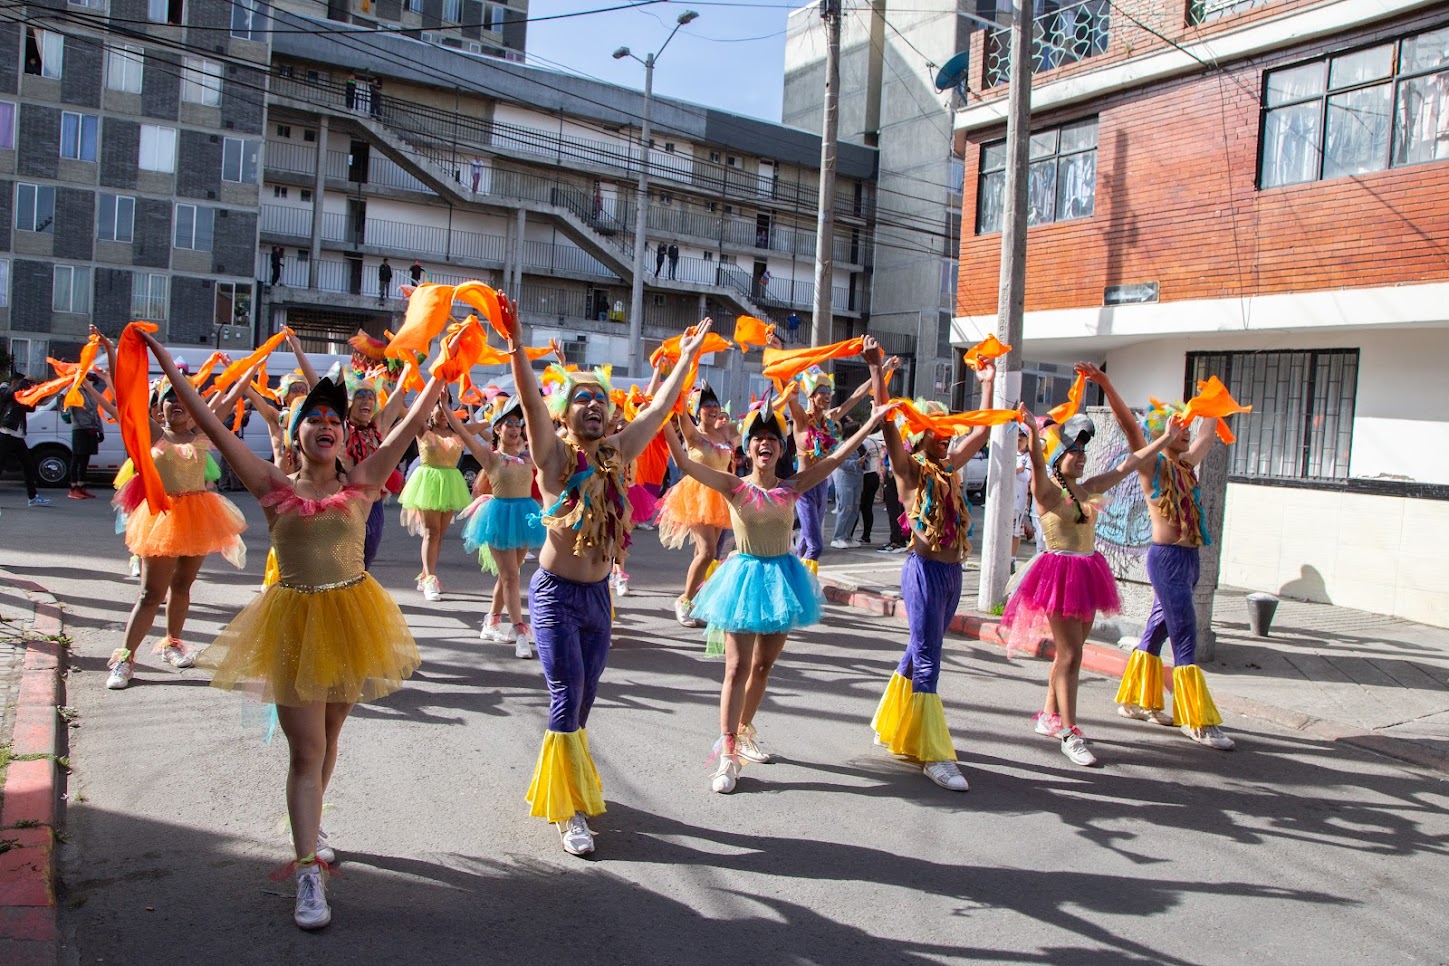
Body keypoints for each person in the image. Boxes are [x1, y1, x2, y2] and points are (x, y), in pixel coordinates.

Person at [139, 328, 441, 930]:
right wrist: (171, 369)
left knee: (329, 741)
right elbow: (214, 426)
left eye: (333, 418)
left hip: (355, 619)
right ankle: (307, 873)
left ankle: (313, 820)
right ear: (296, 432)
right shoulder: (273, 488)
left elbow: (413, 420)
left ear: (342, 433)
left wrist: (442, 363)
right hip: (295, 621)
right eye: (313, 418)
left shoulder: (364, 481)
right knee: (306, 750)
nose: (326, 425)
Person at [508, 307, 712, 857]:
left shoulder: (619, 454)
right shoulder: (551, 456)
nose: (593, 404)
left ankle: (562, 777)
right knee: (564, 693)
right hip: (554, 596)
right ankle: (569, 810)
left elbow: (663, 405)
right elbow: (529, 403)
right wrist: (516, 344)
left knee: (585, 698)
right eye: (580, 397)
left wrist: (688, 359)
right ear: (564, 412)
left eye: (599, 397)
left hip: (599, 599)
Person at [670, 397, 895, 794]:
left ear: (781, 448)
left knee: (762, 668)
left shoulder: (793, 487)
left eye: (772, 438)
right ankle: (726, 755)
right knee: (736, 669)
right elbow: (687, 465)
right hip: (742, 580)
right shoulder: (733, 486)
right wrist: (663, 419)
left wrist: (872, 421)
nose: (764, 443)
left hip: (783, 580)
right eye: (757, 438)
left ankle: (743, 733)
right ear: (749, 448)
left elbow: (840, 454)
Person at [1002, 399, 1174, 766]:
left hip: (1088, 574)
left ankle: (1050, 716)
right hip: (1059, 576)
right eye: (1073, 452)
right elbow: (1035, 463)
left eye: (1083, 452)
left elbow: (1130, 464)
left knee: (1070, 654)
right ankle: (1069, 731)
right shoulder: (1048, 492)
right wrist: (1034, 432)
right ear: (1057, 458)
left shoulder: (1090, 488)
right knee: (1071, 655)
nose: (1081, 457)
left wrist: (1166, 439)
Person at [867, 338, 997, 792]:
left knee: (921, 648)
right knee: (927, 657)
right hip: (922, 572)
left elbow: (980, 432)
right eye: (936, 431)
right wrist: (878, 372)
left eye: (947, 431)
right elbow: (887, 429)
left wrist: (988, 384)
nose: (946, 437)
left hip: (952, 572)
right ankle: (932, 754)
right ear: (921, 435)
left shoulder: (950, 467)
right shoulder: (911, 470)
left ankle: (895, 720)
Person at [1095, 364, 1236, 751]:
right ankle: (1197, 719)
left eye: (1185, 425)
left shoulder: (1187, 465)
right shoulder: (1152, 465)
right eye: (1177, 424)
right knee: (1184, 634)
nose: (1185, 429)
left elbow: (1207, 431)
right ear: (1162, 432)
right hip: (1167, 559)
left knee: (1157, 629)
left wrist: (1209, 402)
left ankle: (1136, 700)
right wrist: (1107, 382)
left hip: (1190, 562)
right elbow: (1128, 426)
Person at [99, 362, 255, 690]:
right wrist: (114, 356)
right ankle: (124, 659)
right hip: (163, 517)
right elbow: (126, 395)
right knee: (150, 593)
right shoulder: (157, 434)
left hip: (199, 515)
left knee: (183, 586)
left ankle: (172, 643)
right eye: (169, 398)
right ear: (160, 408)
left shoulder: (202, 433)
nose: (176, 402)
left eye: (181, 396)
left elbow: (233, 394)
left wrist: (256, 362)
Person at [460, 395, 544, 657]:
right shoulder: (491, 457)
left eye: (518, 423)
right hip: (499, 517)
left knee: (509, 574)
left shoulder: (528, 457)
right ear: (498, 428)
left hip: (524, 516)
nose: (515, 428)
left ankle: (491, 621)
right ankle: (520, 631)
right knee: (511, 576)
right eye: (509, 423)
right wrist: (445, 410)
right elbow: (463, 433)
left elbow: (553, 430)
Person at [656, 383, 737, 627]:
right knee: (708, 552)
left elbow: (756, 420)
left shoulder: (724, 433)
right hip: (697, 495)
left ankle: (697, 601)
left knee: (704, 554)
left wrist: (784, 390)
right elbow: (678, 410)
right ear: (697, 410)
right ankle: (684, 600)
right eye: (706, 406)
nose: (712, 409)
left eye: (715, 405)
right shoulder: (693, 434)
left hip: (720, 495)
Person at [785, 362, 873, 573]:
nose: (827, 397)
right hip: (803, 486)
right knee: (816, 545)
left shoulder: (830, 420)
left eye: (829, 393)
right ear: (812, 395)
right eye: (822, 392)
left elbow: (857, 396)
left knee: (806, 541)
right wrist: (780, 357)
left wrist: (880, 370)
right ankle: (805, 585)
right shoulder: (801, 421)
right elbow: (788, 394)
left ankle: (795, 581)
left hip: (821, 485)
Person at [398, 397, 474, 602]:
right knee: (431, 532)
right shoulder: (423, 430)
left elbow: (487, 425)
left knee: (438, 534)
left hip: (450, 485)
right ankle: (430, 578)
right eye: (438, 408)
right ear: (430, 411)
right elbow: (405, 412)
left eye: (446, 409)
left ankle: (425, 574)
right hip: (428, 483)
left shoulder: (457, 432)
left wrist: (475, 406)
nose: (442, 413)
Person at [0, 374, 47, 506]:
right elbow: (8, 394)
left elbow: (30, 408)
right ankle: (33, 496)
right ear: (15, 382)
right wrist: (24, 381)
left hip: (18, 435)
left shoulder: (19, 395)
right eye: (20, 383)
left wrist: (36, 391)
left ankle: (33, 497)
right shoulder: (4, 390)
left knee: (28, 466)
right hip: (6, 433)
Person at [829, 424, 865, 549]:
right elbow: (839, 462)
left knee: (855, 509)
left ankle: (847, 536)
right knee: (845, 508)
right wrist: (856, 462)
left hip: (857, 479)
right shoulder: (843, 445)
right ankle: (837, 537)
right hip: (845, 479)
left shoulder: (860, 446)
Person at [858, 432, 882, 544]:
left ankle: (856, 534)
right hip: (875, 475)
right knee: (868, 507)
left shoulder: (864, 443)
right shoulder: (877, 443)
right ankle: (866, 534)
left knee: (861, 506)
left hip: (866, 475)